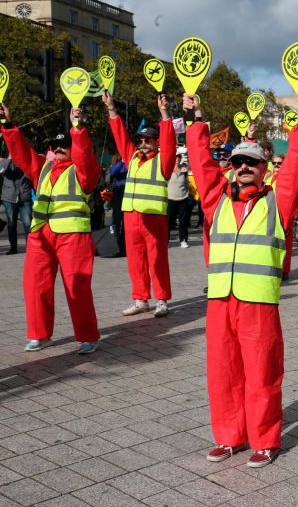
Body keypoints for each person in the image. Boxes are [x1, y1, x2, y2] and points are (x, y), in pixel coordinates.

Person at [187, 93, 298, 468]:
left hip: (258, 302)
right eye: (238, 161)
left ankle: (265, 440)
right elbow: (200, 163)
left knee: (262, 373)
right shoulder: (216, 200)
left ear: (264, 169)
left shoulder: (280, 200)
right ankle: (228, 438)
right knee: (223, 372)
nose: (243, 167)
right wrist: (194, 119)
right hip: (220, 301)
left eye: (251, 162)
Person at [0, 104, 100, 354]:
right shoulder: (43, 166)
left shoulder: (83, 170)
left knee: (77, 288)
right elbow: (21, 151)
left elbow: (85, 154)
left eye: (63, 146)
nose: (57, 149)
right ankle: (39, 334)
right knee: (35, 285)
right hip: (40, 237)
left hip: (73, 236)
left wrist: (77, 128)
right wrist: (7, 125)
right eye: (54, 146)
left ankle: (88, 336)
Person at [104, 92, 177, 318]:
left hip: (153, 217)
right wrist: (111, 109)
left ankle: (162, 300)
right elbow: (120, 137)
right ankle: (140, 299)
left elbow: (170, 143)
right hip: (131, 216)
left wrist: (164, 114)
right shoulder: (132, 157)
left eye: (148, 140)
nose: (143, 144)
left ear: (156, 142)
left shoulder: (163, 161)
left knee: (157, 259)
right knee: (135, 260)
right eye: (141, 140)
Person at [0, 154, 33, 254]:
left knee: (28, 223)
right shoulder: (5, 161)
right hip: (9, 197)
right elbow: (2, 170)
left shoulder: (26, 160)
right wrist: (9, 158)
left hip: (24, 196)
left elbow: (31, 175)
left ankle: (30, 247)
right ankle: (13, 247)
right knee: (11, 223)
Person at [167, 159, 192, 248]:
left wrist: (188, 191)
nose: (177, 159)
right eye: (175, 157)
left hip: (183, 199)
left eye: (179, 157)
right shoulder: (167, 170)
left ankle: (183, 240)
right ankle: (165, 240)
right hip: (170, 199)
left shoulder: (184, 171)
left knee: (183, 221)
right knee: (168, 221)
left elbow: (187, 184)